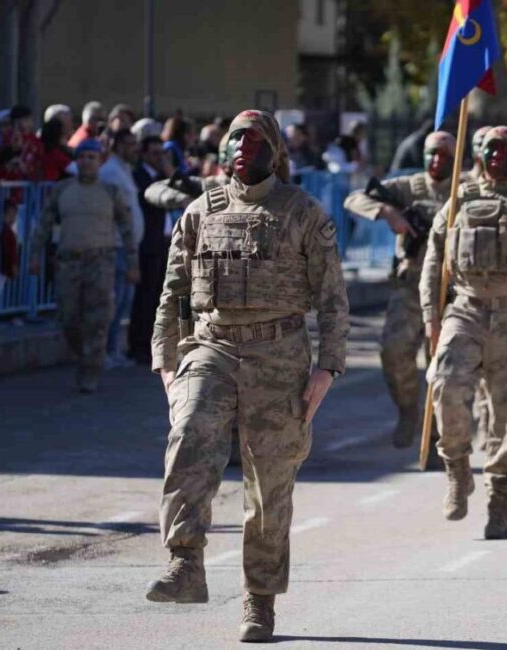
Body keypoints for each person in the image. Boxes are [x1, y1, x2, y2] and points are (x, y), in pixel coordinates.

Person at [145, 110, 348, 643]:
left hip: (279, 354)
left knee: (269, 486)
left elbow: (332, 298)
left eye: (255, 140)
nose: (243, 146)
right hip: (210, 345)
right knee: (188, 437)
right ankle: (185, 562)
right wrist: (166, 361)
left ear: (275, 151)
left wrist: (327, 368)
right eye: (236, 137)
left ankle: (259, 602)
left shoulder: (303, 212)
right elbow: (173, 292)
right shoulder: (200, 210)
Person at [421, 125, 507, 538]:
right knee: (444, 383)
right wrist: (430, 313)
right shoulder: (459, 199)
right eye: (490, 151)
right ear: (479, 155)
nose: (497, 157)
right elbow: (434, 257)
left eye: (505, 151)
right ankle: (457, 468)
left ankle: (500, 498)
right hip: (466, 308)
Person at [343, 131, 455, 452]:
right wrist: (388, 213)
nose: (437, 161)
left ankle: (436, 435)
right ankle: (408, 409)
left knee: (443, 366)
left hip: (450, 293)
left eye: (445, 156)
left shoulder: (465, 189)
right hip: (410, 287)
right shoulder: (409, 187)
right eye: (432, 154)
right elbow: (355, 198)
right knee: (393, 352)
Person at [27, 139, 139, 392]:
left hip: (101, 262)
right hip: (69, 262)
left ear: (99, 161)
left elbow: (127, 229)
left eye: (91, 157)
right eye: (82, 157)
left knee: (98, 320)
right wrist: (34, 256)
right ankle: (85, 354)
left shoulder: (110, 191)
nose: (86, 162)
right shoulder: (62, 189)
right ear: (76, 161)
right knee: (68, 317)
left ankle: (90, 372)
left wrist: (133, 263)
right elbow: (43, 225)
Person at [99, 128, 145, 367]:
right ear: (116, 146)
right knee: (114, 302)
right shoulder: (109, 173)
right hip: (117, 245)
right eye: (129, 144)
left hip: (129, 246)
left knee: (124, 302)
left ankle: (114, 349)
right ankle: (105, 351)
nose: (134, 149)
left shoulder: (125, 170)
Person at [129, 135, 172, 364]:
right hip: (147, 244)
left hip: (162, 241)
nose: (159, 158)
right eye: (155, 154)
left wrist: (168, 170)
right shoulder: (141, 177)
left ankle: (151, 344)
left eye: (162, 153)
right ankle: (138, 345)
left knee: (157, 297)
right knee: (145, 298)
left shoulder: (160, 176)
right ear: (144, 154)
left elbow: (182, 188)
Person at [40, 117, 73, 181]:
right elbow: (76, 169)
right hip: (53, 189)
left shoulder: (38, 149)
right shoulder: (55, 154)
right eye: (63, 133)